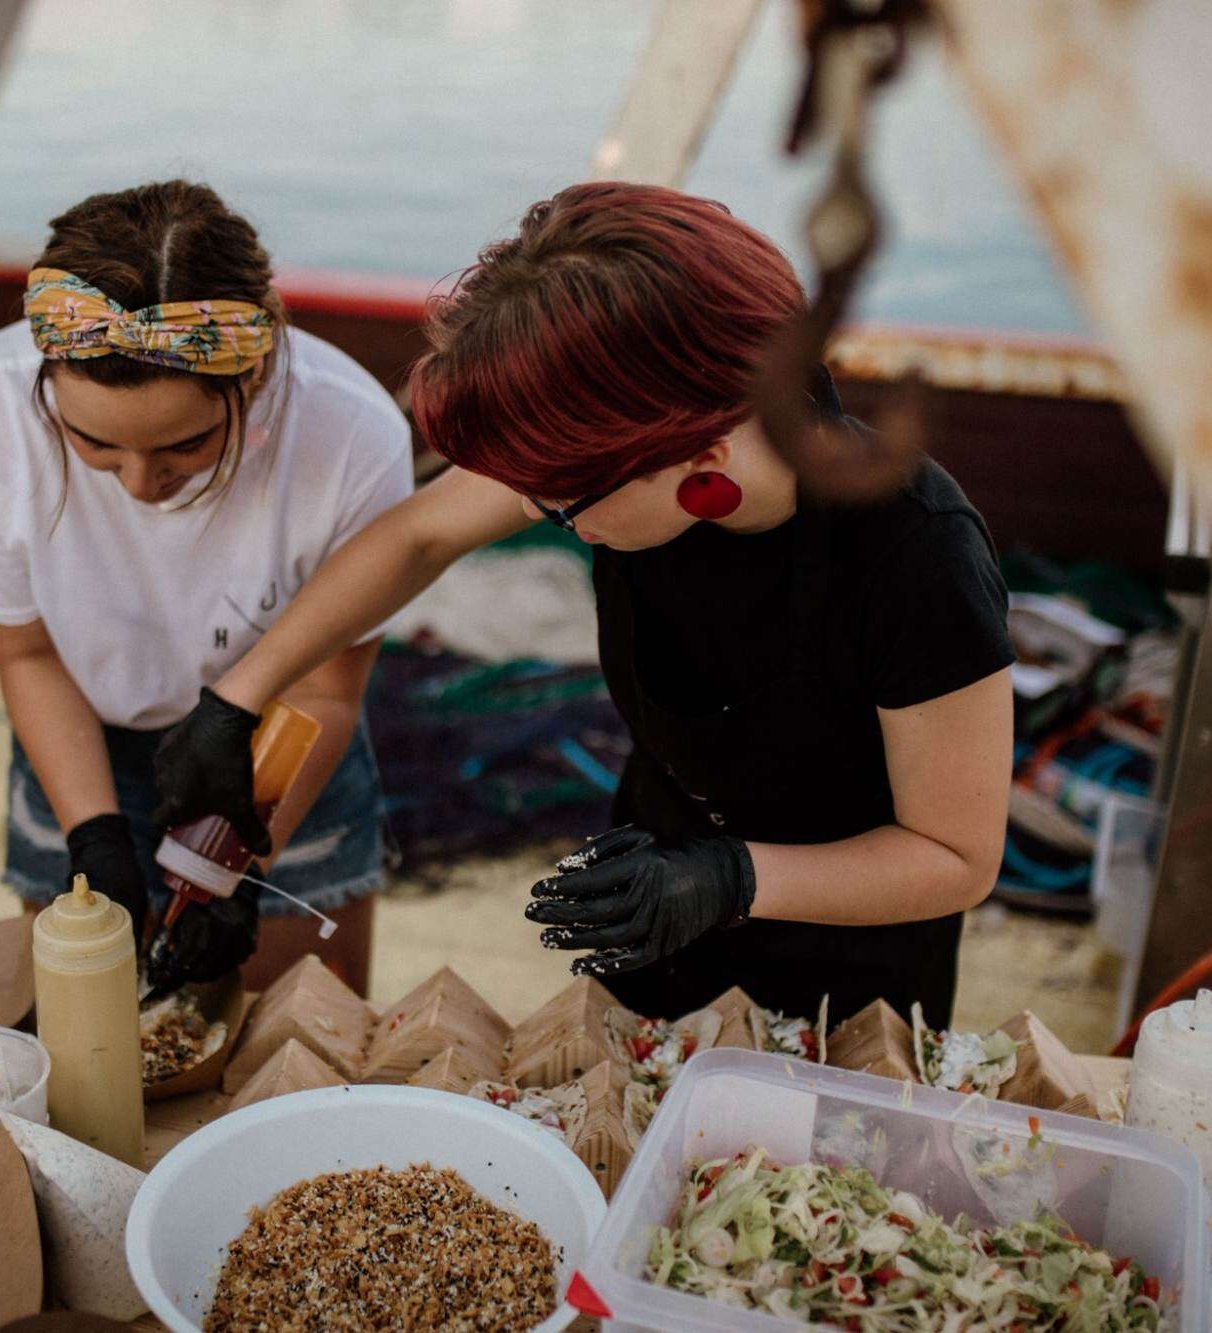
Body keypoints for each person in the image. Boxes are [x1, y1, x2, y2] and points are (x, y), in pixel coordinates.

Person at [152, 182, 1015, 1024]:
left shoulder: (918, 555)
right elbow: (419, 536)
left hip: (849, 964)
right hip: (653, 889)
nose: (536, 512)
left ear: (698, 460)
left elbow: (955, 855)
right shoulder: (633, 446)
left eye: (559, 506)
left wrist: (734, 879)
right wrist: (238, 697)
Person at [0, 181, 410, 994]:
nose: (142, 485)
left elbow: (327, 687)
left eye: (185, 445)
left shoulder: (354, 434)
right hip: (78, 736)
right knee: (88, 1030)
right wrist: (94, 834)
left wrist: (236, 868)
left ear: (254, 378)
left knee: (296, 1034)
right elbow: (28, 651)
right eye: (94, 444)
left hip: (278, 750)